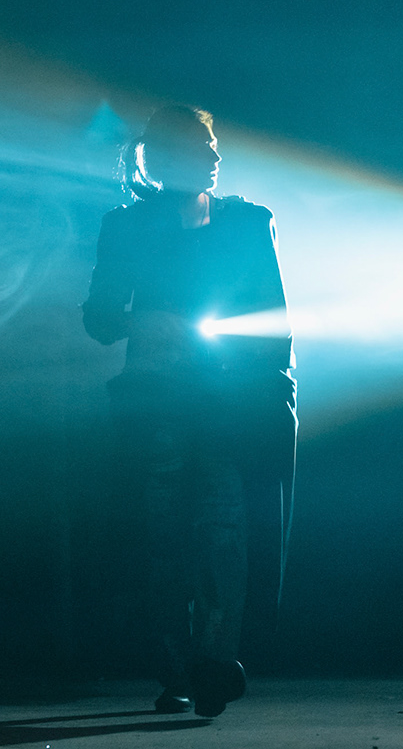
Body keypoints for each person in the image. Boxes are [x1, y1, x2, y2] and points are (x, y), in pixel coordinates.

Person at [82, 105, 296, 718]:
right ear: (166, 157)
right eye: (202, 146)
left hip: (228, 407)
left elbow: (275, 319)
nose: (215, 156)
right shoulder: (125, 226)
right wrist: (143, 322)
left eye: (213, 145)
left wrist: (235, 358)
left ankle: (212, 664)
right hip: (157, 404)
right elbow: (98, 317)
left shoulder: (249, 222)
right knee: (163, 540)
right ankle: (177, 670)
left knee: (224, 535)